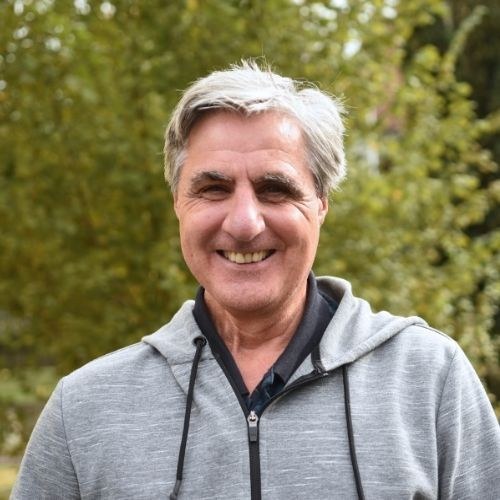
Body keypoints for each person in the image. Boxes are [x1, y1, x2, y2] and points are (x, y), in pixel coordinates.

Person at [12, 61, 500, 500]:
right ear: (178, 204)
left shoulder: (429, 380)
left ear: (321, 205)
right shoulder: (85, 409)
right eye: (213, 188)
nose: (244, 222)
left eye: (274, 189)